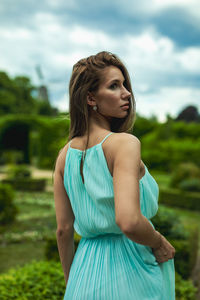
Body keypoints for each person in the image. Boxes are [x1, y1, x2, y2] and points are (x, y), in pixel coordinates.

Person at [53, 51, 175, 299]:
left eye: (124, 85)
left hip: (84, 272)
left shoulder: (63, 156)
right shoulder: (124, 144)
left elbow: (63, 231)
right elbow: (129, 221)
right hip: (133, 269)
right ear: (90, 98)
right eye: (114, 86)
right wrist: (158, 241)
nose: (127, 93)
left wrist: (72, 283)